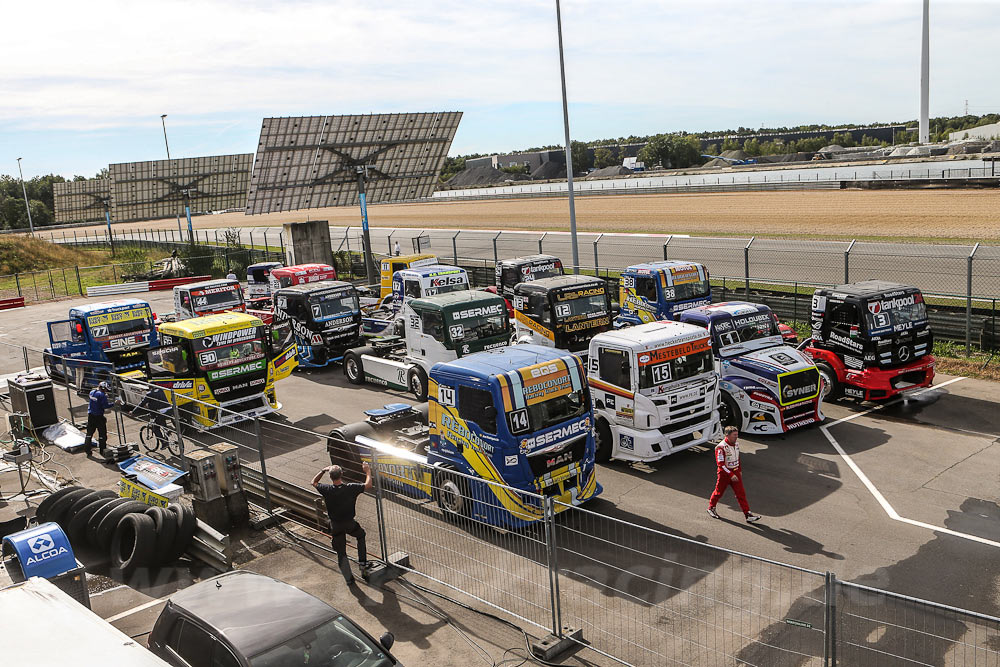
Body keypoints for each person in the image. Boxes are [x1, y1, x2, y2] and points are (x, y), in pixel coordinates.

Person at [311, 462, 372, 585]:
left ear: (330, 476)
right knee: (361, 535)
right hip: (350, 523)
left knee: (341, 552)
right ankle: (364, 569)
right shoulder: (351, 488)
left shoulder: (326, 489)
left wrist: (323, 470)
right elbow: (368, 485)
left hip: (336, 525)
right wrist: (367, 471)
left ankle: (349, 580)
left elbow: (313, 482)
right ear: (342, 474)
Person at [707, 426, 761, 523]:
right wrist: (731, 474)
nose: (736, 437)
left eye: (737, 435)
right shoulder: (720, 447)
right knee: (718, 492)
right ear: (727, 436)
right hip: (724, 474)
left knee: (741, 494)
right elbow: (721, 465)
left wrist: (739, 469)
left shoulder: (736, 444)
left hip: (735, 472)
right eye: (734, 435)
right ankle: (711, 508)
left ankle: (748, 515)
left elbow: (737, 458)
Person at [84, 381, 114, 458]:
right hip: (99, 416)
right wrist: (114, 403)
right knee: (102, 434)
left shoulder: (92, 392)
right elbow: (105, 406)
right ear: (103, 388)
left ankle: (87, 450)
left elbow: (96, 399)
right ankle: (102, 449)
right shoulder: (102, 395)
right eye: (105, 390)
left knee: (89, 433)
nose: (106, 391)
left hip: (90, 415)